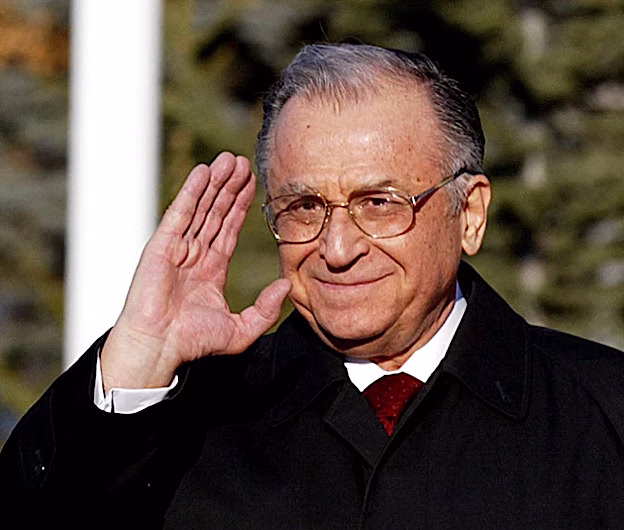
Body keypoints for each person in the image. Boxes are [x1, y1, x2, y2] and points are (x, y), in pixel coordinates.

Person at [2, 43, 624, 529]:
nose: (337, 248)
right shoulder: (183, 423)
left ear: (470, 215)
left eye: (379, 203)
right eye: (304, 208)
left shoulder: (603, 411)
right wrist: (137, 358)